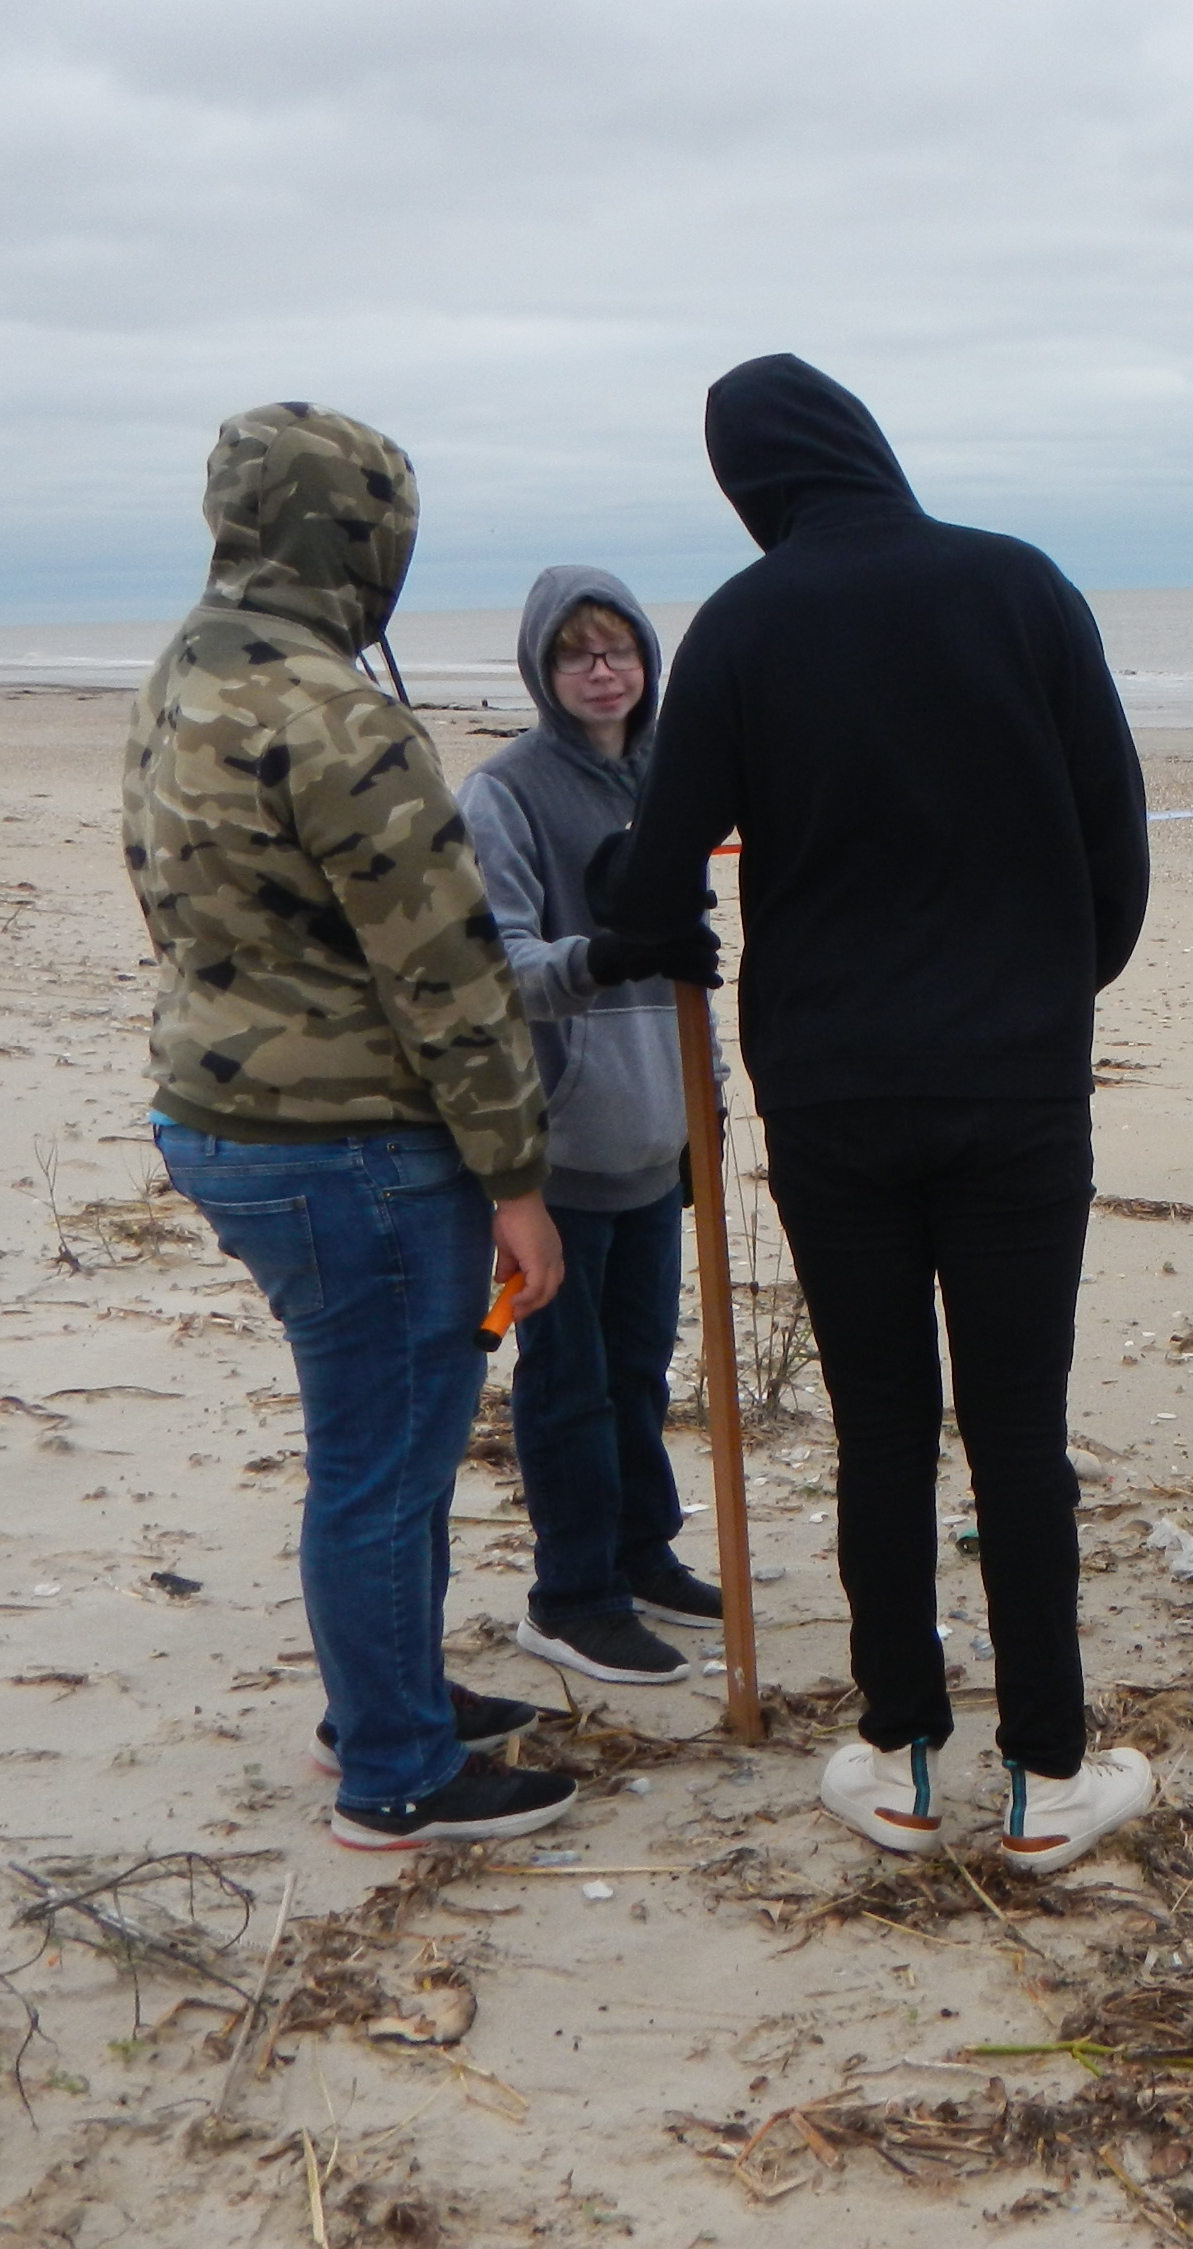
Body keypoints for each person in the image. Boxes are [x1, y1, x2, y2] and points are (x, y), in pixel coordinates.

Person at [601, 354, 1155, 1874]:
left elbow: (653, 880)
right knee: (1018, 1428)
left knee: (883, 1425)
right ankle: (1048, 1773)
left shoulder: (746, 621)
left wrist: (639, 912)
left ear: (747, 482)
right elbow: (1118, 849)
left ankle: (906, 1756)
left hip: (836, 1086)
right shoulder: (1021, 586)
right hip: (1015, 1082)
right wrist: (1046, 989)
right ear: (866, 440)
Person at [126, 404, 592, 1849]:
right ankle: (395, 1769)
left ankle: (384, 1697)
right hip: (349, 1149)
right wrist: (517, 1179)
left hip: (224, 1115)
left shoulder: (186, 674)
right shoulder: (337, 715)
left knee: (373, 1446)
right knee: (384, 1458)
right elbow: (447, 976)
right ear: (363, 536)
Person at [460, 567, 727, 1684]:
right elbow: (498, 967)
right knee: (565, 1381)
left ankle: (638, 1547)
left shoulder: (676, 780)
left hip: (659, 1134)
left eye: (619, 650)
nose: (603, 671)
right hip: (556, 1149)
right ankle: (570, 1595)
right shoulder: (505, 792)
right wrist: (609, 956)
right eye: (578, 654)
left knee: (639, 1367)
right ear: (542, 668)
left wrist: (702, 1116)